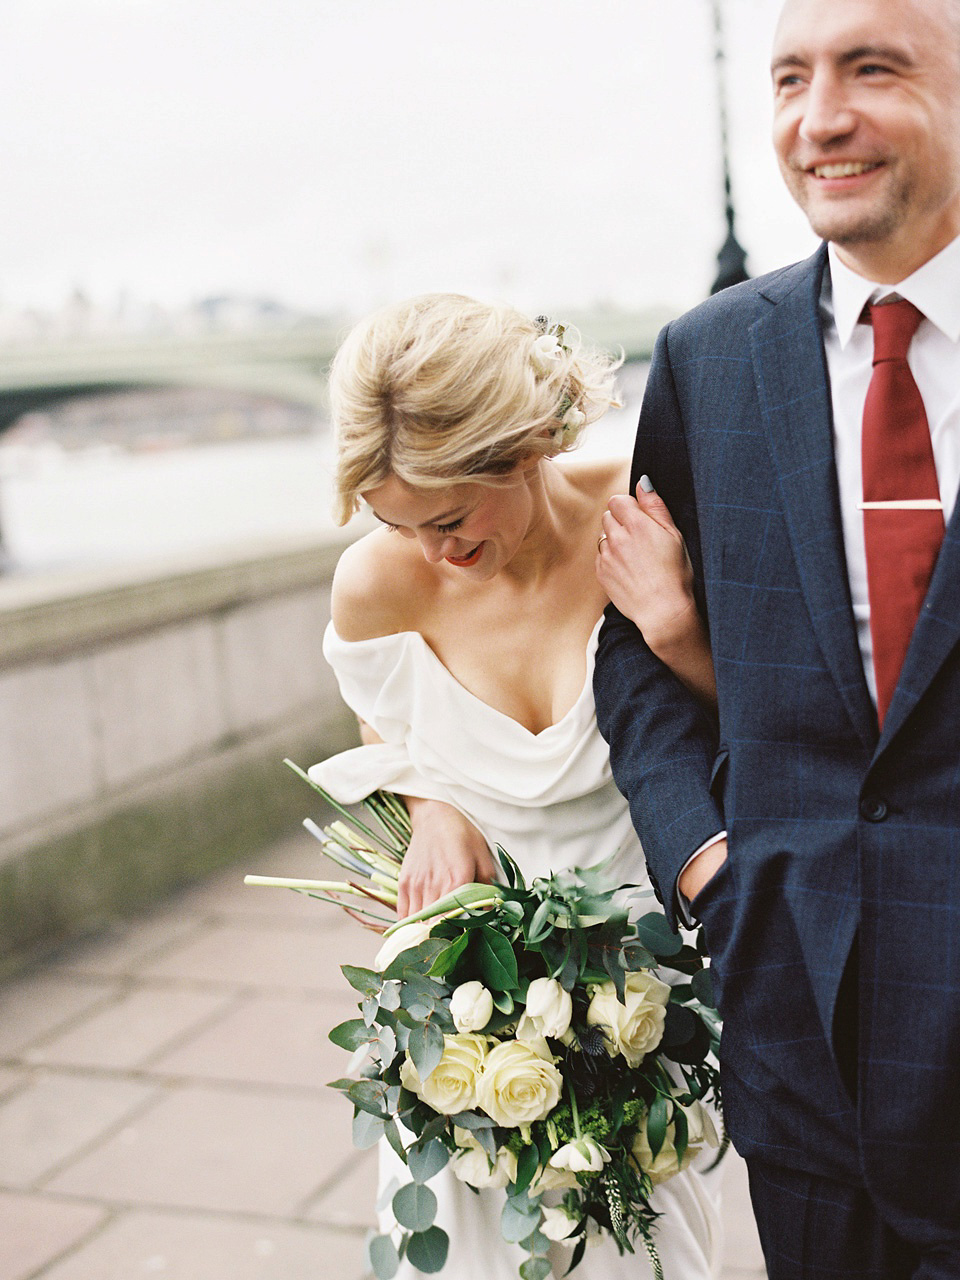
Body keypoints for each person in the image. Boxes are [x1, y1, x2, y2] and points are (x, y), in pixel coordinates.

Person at [593, 0, 960, 1275]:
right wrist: (705, 863)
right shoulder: (708, 359)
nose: (821, 118)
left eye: (875, 69)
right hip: (802, 1029)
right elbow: (632, 653)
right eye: (792, 77)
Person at [310, 293, 722, 1279]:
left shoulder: (645, 516)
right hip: (461, 1028)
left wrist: (676, 631)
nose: (433, 552)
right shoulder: (379, 585)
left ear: (528, 442)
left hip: (642, 1018)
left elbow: (769, 735)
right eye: (396, 522)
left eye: (451, 517)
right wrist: (432, 805)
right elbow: (387, 717)